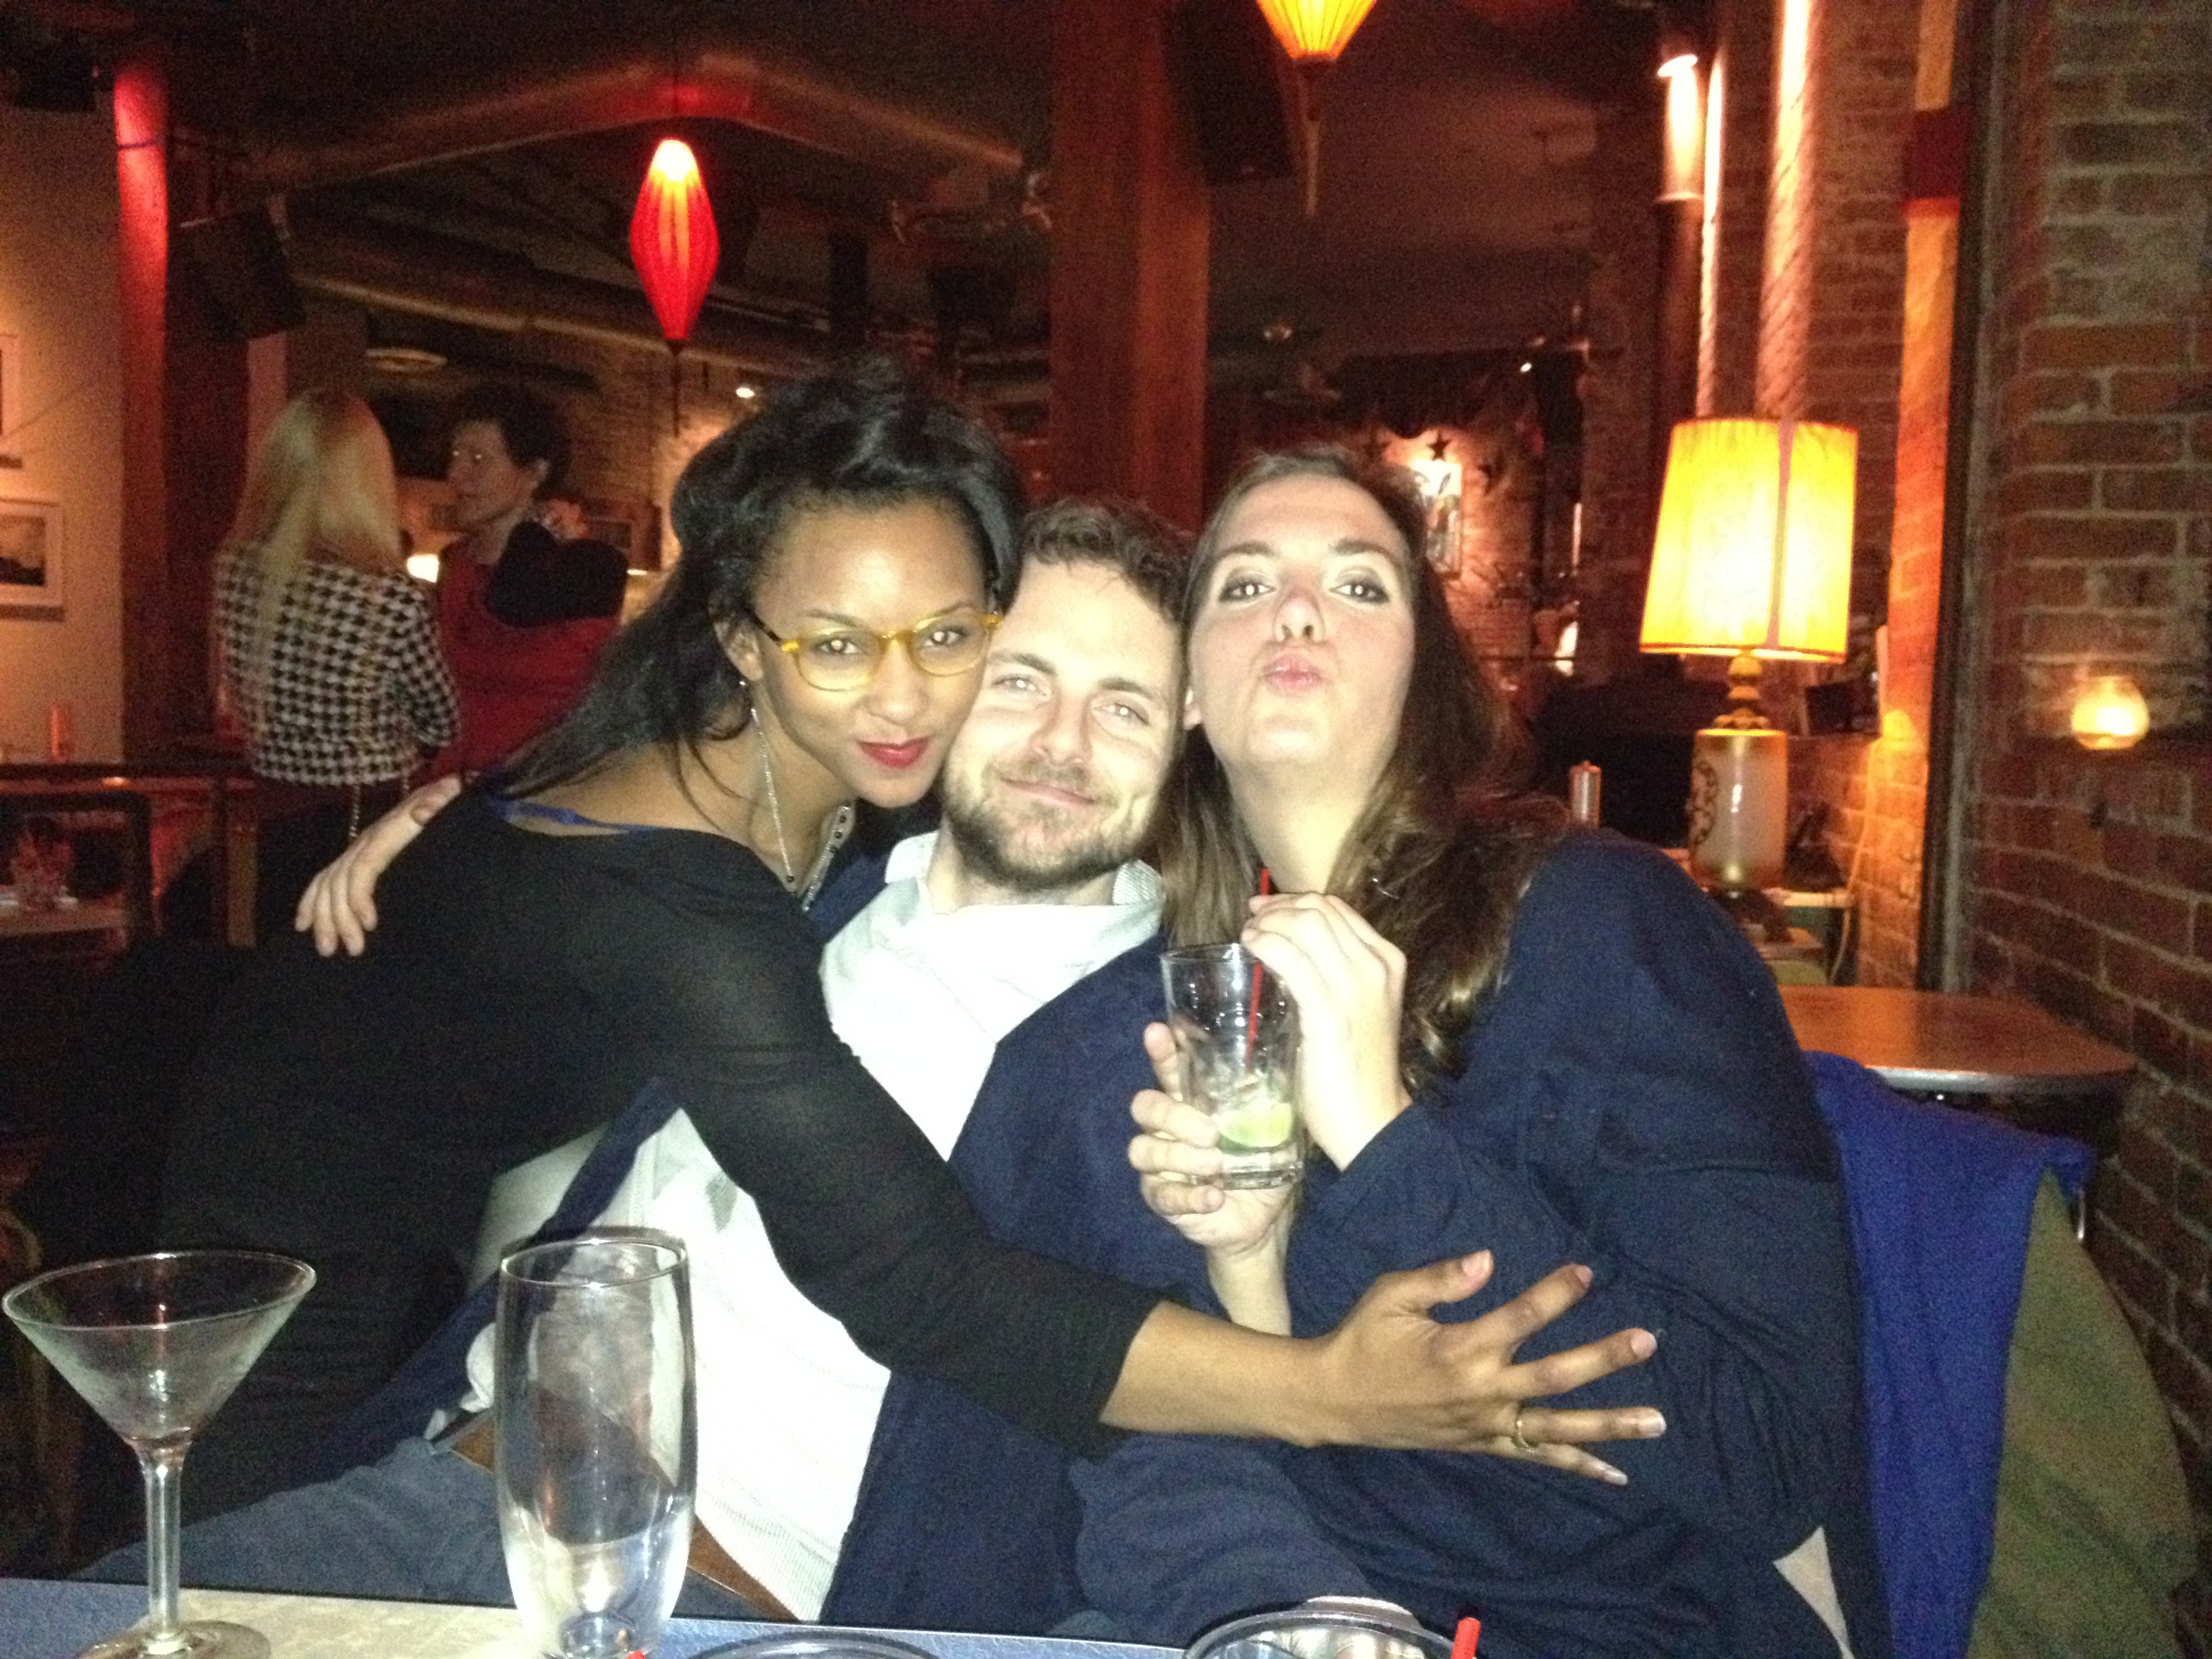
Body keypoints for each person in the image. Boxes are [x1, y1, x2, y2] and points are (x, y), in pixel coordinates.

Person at [155, 365, 1643, 1527]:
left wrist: (1316, 1364)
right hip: (298, 1265)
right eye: (1017, 678)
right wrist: (448, 833)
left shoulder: (1110, 981)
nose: (905, 699)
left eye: (945, 642)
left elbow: (988, 1300)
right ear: (746, 643)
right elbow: (906, 1267)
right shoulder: (749, 894)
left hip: (564, 1465)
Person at [826, 448, 1889, 1658]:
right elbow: (1144, 1446)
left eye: (1357, 584)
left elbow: (1769, 1453)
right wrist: (1297, 1588)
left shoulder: (1601, 923)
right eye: (1244, 585)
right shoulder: (1151, 1012)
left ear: (1422, 670)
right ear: (1191, 692)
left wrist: (1380, 1134)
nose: (1294, 611)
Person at [209, 388, 457, 943]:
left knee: (284, 950)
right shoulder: (390, 597)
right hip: (367, 815)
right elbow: (443, 721)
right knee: (357, 962)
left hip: (276, 808)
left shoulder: (235, 573)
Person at [434, 384, 628, 775]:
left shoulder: (580, 568)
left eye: (478, 459)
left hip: (540, 783)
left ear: (535, 473)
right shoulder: (455, 562)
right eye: (455, 456)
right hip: (444, 788)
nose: (457, 475)